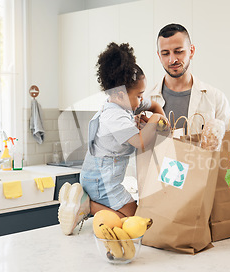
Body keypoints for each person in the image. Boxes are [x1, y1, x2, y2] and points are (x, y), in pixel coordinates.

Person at [58, 42, 167, 236]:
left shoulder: (125, 102)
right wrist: (155, 121)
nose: (142, 101)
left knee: (131, 218)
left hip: (103, 177)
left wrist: (161, 117)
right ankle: (87, 206)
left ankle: (84, 203)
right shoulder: (114, 116)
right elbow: (140, 142)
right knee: (133, 219)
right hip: (102, 180)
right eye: (139, 95)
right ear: (119, 94)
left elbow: (155, 105)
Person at [146, 23, 230, 133]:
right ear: (159, 56)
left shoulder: (215, 98)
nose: (172, 59)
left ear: (191, 51)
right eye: (165, 53)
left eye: (178, 51)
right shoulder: (146, 98)